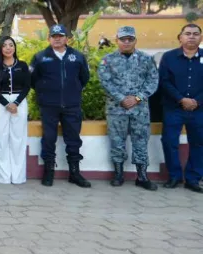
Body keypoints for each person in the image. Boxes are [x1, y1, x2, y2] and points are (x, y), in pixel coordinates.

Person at [97, 26, 159, 191]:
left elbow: (153, 81)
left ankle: (142, 176)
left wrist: (137, 98)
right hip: (116, 109)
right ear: (117, 40)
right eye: (123, 39)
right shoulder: (107, 60)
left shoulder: (146, 59)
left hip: (140, 109)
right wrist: (121, 98)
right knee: (117, 141)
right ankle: (118, 174)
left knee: (141, 141)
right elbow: (105, 82)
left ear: (135, 41)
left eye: (130, 39)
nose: (126, 42)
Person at [31, 24, 91, 187]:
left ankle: (74, 173)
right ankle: (49, 172)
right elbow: (33, 80)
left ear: (66, 38)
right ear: (49, 38)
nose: (57, 39)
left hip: (72, 105)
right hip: (49, 105)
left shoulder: (77, 57)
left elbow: (84, 78)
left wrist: (73, 91)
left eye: (60, 36)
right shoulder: (40, 57)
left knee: (73, 140)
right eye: (54, 36)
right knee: (49, 139)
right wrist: (45, 93)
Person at [158, 23, 203, 192]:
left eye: (196, 34)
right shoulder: (169, 57)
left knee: (199, 143)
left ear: (201, 37)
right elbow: (164, 81)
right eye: (188, 33)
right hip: (174, 108)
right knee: (169, 142)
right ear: (180, 37)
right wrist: (181, 99)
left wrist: (197, 102)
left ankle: (193, 178)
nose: (191, 36)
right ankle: (174, 176)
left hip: (200, 110)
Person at [0, 36, 29, 185]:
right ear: (0, 48)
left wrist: (16, 102)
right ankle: (4, 176)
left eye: (11, 45)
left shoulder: (23, 65)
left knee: (18, 139)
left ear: (14, 48)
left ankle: (18, 177)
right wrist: (6, 104)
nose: (8, 48)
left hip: (20, 103)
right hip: (1, 103)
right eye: (4, 45)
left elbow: (27, 86)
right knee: (1, 138)